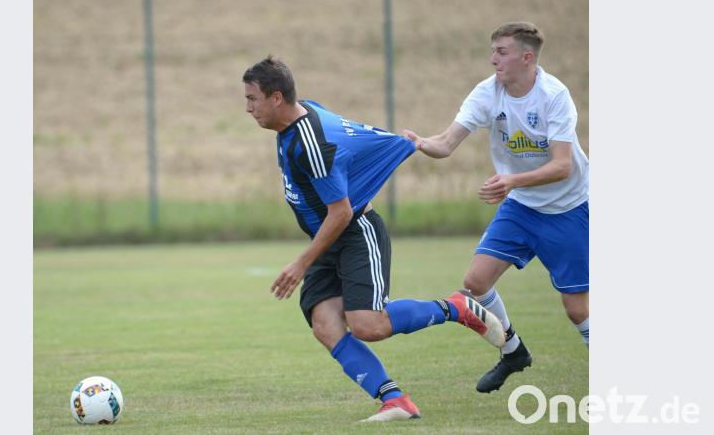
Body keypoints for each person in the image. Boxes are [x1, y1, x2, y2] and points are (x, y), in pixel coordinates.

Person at [242, 56, 505, 422]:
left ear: (275, 98)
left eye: (252, 98)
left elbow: (342, 212)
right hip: (329, 238)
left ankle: (456, 308)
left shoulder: (311, 145)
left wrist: (301, 263)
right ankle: (395, 400)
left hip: (354, 233)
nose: (248, 107)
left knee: (369, 325)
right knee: (326, 324)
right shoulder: (299, 119)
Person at [404, 21, 589, 394]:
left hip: (569, 207)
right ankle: (513, 351)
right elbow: (446, 142)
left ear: (526, 57)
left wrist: (511, 181)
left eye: (501, 52)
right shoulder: (487, 93)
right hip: (521, 206)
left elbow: (562, 165)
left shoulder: (554, 95)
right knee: (475, 283)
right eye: (492, 52)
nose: (492, 60)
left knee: (577, 309)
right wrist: (421, 143)